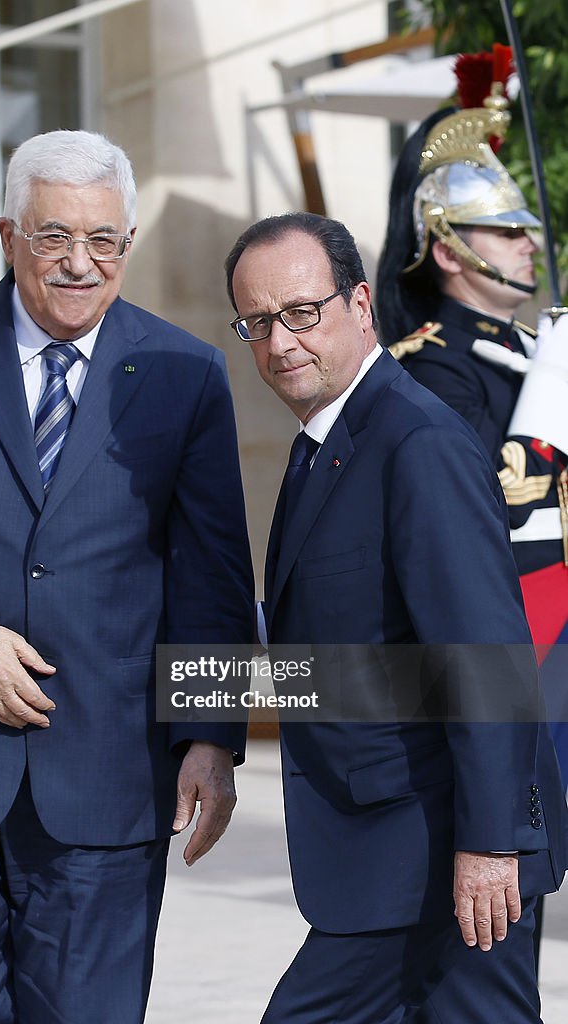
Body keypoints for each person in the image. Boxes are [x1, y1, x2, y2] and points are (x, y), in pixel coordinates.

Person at [0, 129, 254, 1024]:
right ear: (6, 236)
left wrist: (213, 737)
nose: (78, 262)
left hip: (113, 773)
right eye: (53, 237)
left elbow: (213, 575)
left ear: (127, 245)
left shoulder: (188, 373)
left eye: (102, 240)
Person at [224, 211, 567, 1024]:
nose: (280, 343)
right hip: (388, 858)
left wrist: (490, 846)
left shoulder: (415, 441)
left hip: (446, 856)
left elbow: (483, 654)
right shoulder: (326, 443)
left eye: (302, 313)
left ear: (361, 305)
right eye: (257, 323)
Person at [376, 79, 568, 954]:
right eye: (506, 230)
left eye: (527, 230)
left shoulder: (537, 353)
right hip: (518, 658)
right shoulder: (432, 370)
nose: (529, 246)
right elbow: (488, 508)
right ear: (448, 249)